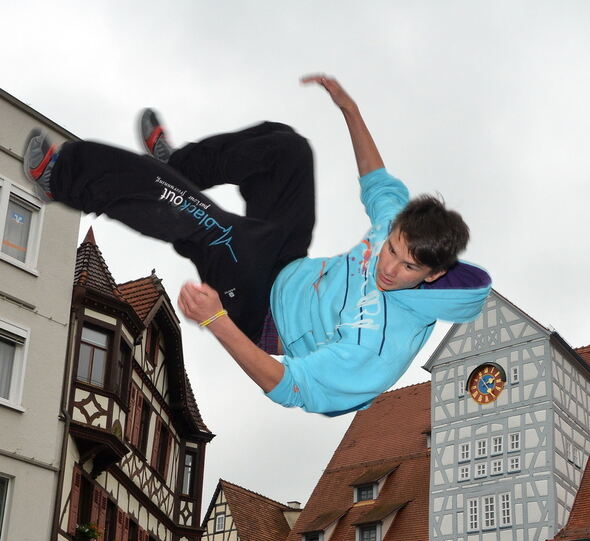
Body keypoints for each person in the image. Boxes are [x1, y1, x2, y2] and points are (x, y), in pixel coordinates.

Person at [23, 76, 491, 418]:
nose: (388, 267)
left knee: (207, 222)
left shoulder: (382, 348)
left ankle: (61, 176)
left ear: (432, 275)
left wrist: (217, 321)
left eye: (407, 268)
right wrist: (349, 107)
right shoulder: (400, 227)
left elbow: (291, 386)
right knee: (288, 150)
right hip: (289, 265)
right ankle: (181, 165)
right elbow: (377, 180)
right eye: (390, 250)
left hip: (259, 313)